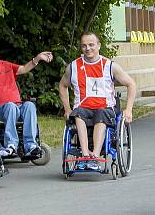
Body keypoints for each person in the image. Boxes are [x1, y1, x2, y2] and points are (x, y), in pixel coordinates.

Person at [58, 31, 137, 171]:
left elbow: (131, 84)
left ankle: (94, 156)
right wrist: (67, 109)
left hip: (105, 107)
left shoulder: (109, 66)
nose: (87, 48)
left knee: (101, 113)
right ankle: (85, 154)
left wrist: (129, 109)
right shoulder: (73, 67)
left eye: (91, 45)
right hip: (83, 107)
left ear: (98, 45)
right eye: (84, 46)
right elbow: (62, 85)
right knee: (78, 114)